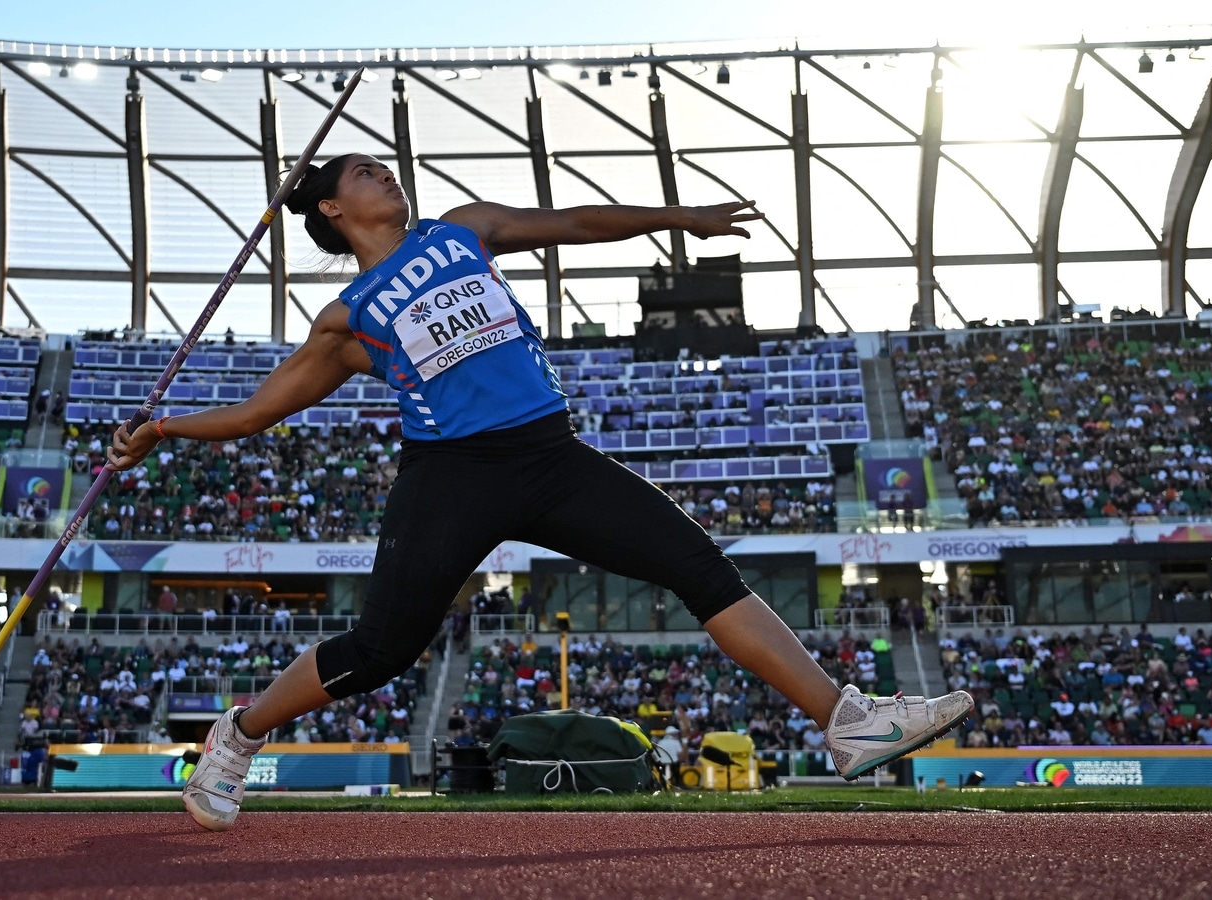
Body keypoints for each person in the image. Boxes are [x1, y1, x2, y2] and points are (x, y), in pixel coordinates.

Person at [108, 153, 972, 831]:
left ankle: (846, 719)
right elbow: (264, 408)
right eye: (366, 173)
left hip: (552, 456)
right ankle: (240, 734)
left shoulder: (461, 231)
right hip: (452, 477)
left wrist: (678, 218)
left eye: (386, 167)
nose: (388, 175)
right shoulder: (351, 314)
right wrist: (163, 429)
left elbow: (575, 222)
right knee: (380, 651)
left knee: (701, 565)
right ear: (334, 208)